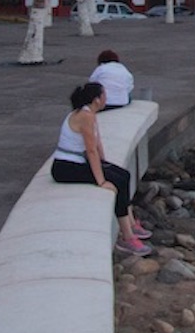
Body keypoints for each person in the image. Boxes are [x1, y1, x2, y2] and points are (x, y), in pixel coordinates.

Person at [51, 82, 151, 255]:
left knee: (123, 175)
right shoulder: (85, 116)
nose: (107, 98)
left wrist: (105, 164)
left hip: (76, 163)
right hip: (65, 168)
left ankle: (131, 224)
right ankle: (127, 237)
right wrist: (102, 181)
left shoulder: (90, 113)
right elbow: (90, 150)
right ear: (97, 99)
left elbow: (97, 143)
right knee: (117, 181)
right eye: (104, 95)